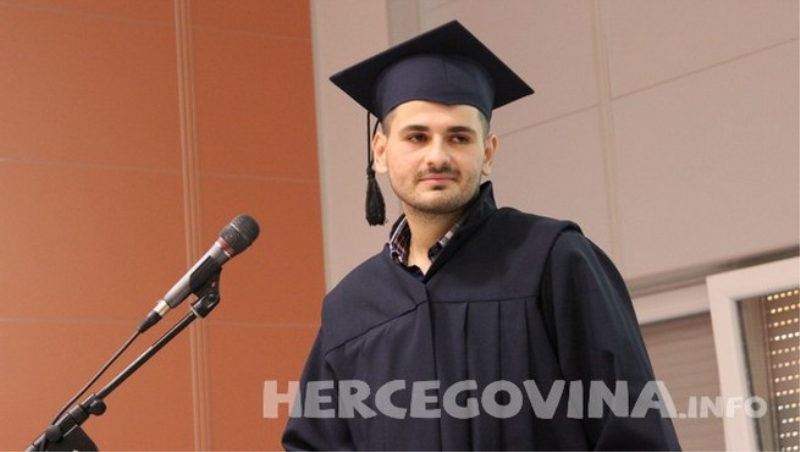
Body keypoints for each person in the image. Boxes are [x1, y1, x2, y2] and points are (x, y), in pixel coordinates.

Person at [283, 20, 681, 451]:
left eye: (459, 137)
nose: (437, 156)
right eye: (417, 137)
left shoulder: (551, 260)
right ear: (380, 151)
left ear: (487, 153)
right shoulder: (351, 308)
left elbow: (633, 428)